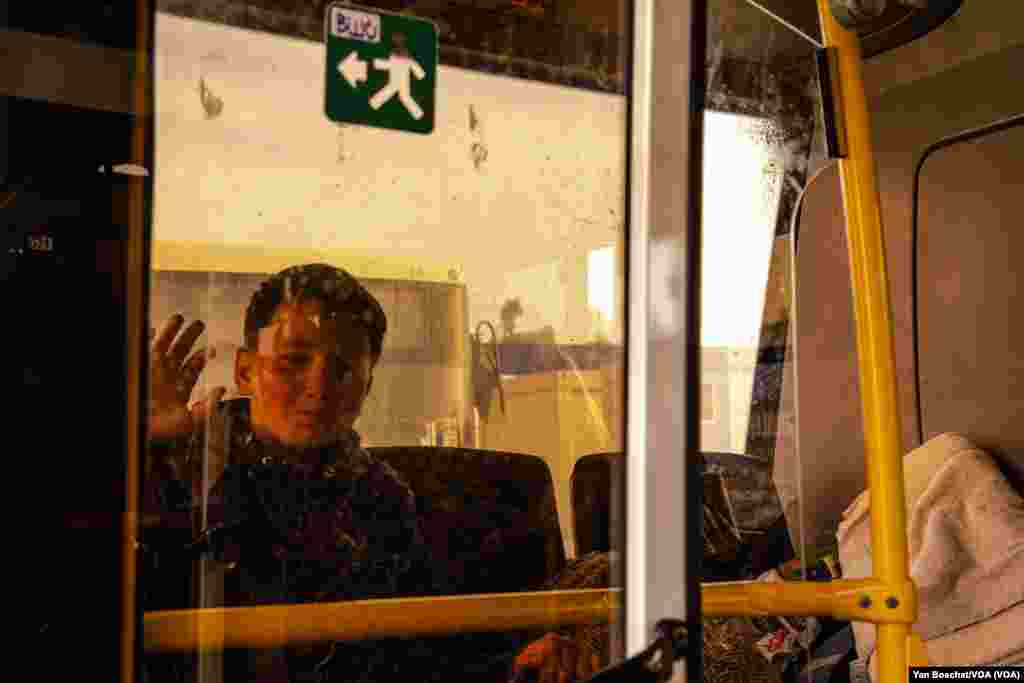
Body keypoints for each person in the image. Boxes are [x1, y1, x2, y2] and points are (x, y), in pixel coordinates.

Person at [141, 263, 424, 683]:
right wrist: (144, 447)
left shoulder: (382, 500)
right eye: (293, 361)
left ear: (366, 388)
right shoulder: (182, 466)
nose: (319, 387)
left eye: (343, 370)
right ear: (244, 371)